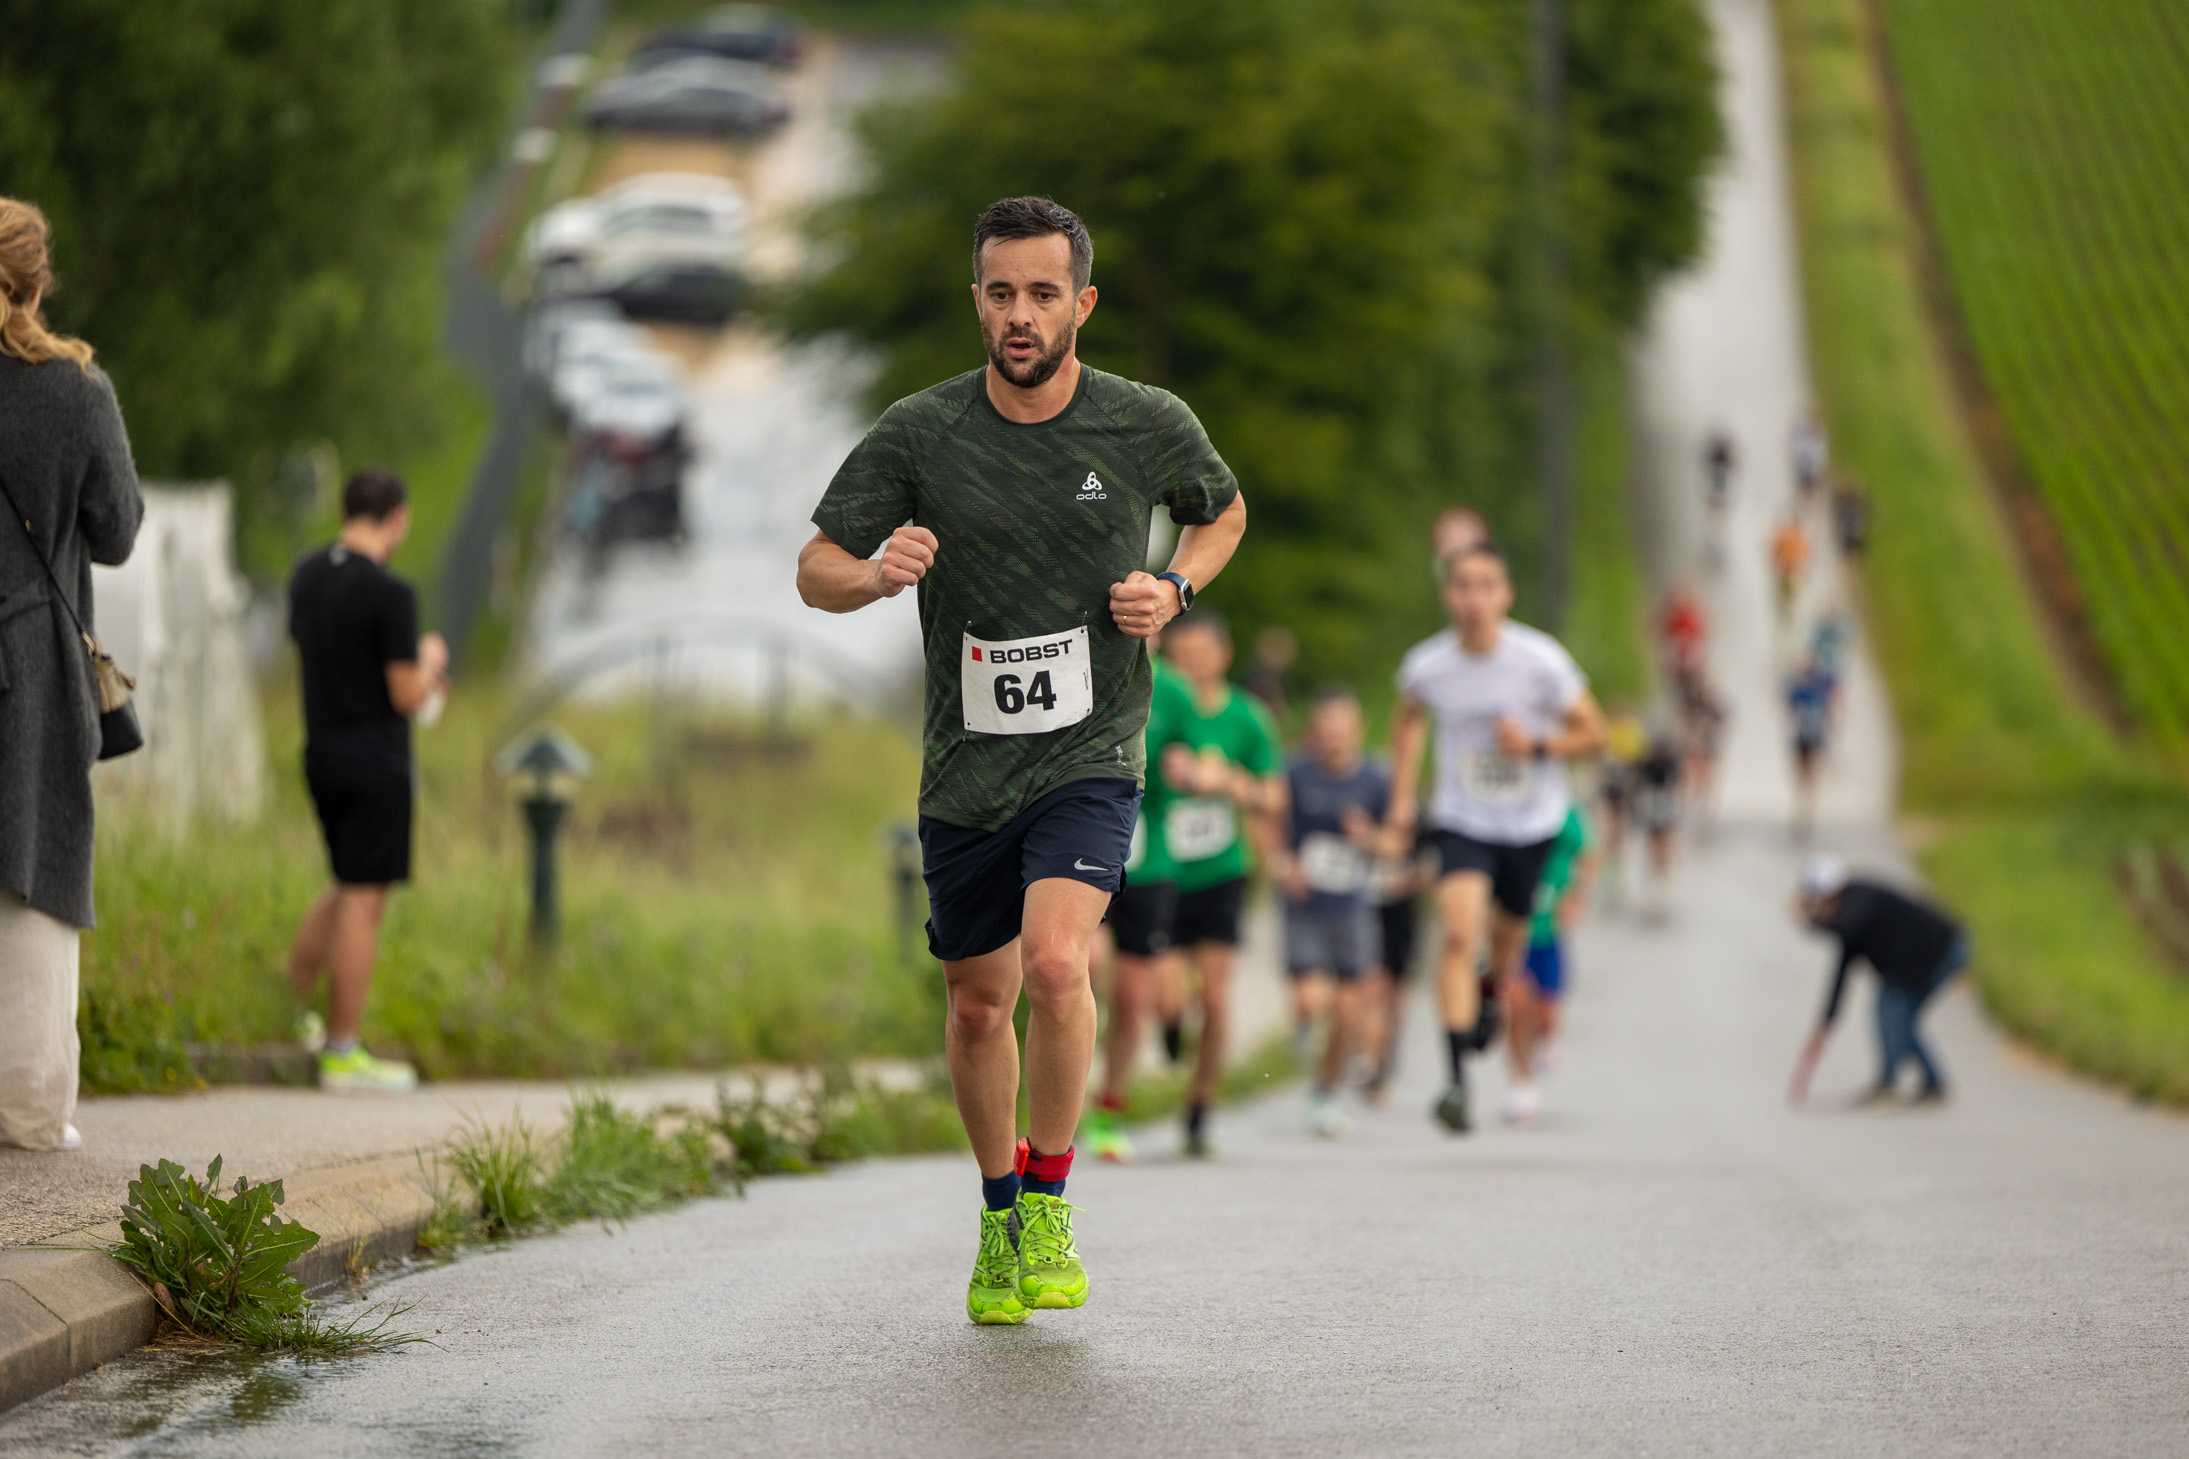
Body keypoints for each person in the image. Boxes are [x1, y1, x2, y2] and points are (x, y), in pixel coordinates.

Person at [795, 196, 1246, 1324]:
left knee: (1054, 963)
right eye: (1000, 293)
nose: (1020, 315)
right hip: (966, 768)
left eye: (1043, 293)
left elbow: (1223, 512)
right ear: (977, 301)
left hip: (1093, 748)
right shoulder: (921, 432)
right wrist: (875, 573)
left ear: (1081, 303)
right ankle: (997, 1211)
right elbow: (814, 566)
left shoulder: (1141, 422)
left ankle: (1048, 1199)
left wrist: (1174, 587)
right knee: (974, 1006)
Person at [0, 197, 143, 1153]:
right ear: (37, 282)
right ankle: (24, 1109)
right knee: (35, 870)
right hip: (31, 666)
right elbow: (118, 531)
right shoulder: (76, 390)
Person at [1385, 544, 1607, 1134]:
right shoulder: (1428, 665)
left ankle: (1489, 990)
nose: (1474, 598)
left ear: (1506, 595)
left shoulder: (1540, 661)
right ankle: (1456, 1080)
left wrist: (1536, 747)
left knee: (1506, 947)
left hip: (1531, 825)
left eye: (1486, 585)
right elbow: (1407, 720)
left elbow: (1596, 734)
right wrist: (1403, 797)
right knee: (1459, 935)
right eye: (1463, 585)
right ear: (1447, 595)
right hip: (1462, 819)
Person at [285, 468, 447, 1095]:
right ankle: (343, 1051)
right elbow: (406, 694)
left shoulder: (307, 575)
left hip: (321, 753)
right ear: (397, 518)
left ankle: (292, 1013)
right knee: (365, 900)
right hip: (376, 762)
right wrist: (429, 662)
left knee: (343, 884)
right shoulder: (391, 593)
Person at [1159, 610, 1284, 1156]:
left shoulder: (1248, 718)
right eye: (1181, 656)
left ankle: (1201, 1103)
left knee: (1213, 997)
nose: (1192, 666)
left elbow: (1274, 797)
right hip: (1161, 869)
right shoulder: (1152, 707)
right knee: (1165, 998)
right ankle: (1169, 1025)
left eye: (1202, 654)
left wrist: (1232, 784)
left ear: (1224, 655)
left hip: (1221, 870)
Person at [1085, 642, 1197, 1164]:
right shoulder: (1082, 662)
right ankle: (1066, 1082)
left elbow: (1194, 757)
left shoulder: (1175, 690)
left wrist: (1186, 770)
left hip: (1149, 863)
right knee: (1085, 965)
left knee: (1133, 1001)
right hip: (1084, 851)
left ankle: (1110, 1107)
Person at [1275, 686, 1390, 1138]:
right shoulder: (1294, 773)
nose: (1334, 736)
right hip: (1305, 903)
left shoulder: (1376, 779)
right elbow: (1270, 822)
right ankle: (1304, 1032)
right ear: (1314, 731)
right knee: (1311, 999)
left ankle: (1325, 1092)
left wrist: (1371, 838)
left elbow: (1398, 841)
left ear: (1358, 730)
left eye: (1342, 727)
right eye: (1326, 727)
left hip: (1352, 906)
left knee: (1347, 1013)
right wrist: (1282, 864)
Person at [1788, 857, 1968, 1105]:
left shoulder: (1861, 898)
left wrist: (1811, 921)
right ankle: (1929, 1082)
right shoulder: (1849, 914)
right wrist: (1827, 1020)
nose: (1820, 905)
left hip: (1942, 952)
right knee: (1899, 1017)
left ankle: (1890, 1083)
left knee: (1893, 1012)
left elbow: (1847, 927)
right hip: (1922, 959)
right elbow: (1841, 973)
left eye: (1819, 899)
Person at [1503, 804, 1596, 1122]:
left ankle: (1548, 1039)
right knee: (1515, 1004)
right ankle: (1522, 1083)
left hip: (1549, 929)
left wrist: (1577, 897)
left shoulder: (1560, 811)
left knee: (1546, 1015)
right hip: (1512, 929)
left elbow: (1589, 852)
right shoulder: (1499, 809)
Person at [1786, 658, 1834, 842]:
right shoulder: (1820, 689)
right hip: (1814, 737)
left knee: (1803, 775)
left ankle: (1804, 809)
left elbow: (1790, 709)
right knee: (1810, 775)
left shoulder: (1800, 689)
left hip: (1804, 738)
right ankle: (1807, 810)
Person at [1770, 516, 1811, 620]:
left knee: (1791, 592)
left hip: (1792, 571)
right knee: (1786, 591)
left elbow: (1805, 556)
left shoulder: (1798, 539)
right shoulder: (1789, 537)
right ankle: (1786, 610)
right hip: (1788, 570)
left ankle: (1789, 611)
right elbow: (1777, 551)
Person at [1791, 413, 1829, 503]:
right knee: (1804, 483)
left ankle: (1807, 499)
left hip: (1810, 465)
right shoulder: (1802, 431)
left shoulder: (1819, 437)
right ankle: (1804, 499)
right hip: (1805, 464)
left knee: (1809, 483)